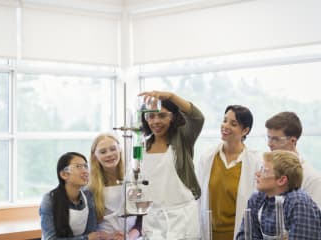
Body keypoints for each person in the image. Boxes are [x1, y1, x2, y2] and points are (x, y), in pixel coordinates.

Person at [138, 90, 204, 239]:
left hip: (182, 217)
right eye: (151, 116)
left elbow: (197, 117)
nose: (156, 121)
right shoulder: (142, 147)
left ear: (172, 117)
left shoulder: (183, 138)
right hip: (153, 218)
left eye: (162, 115)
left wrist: (171, 97)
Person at [198, 105, 262, 240]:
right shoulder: (208, 157)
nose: (225, 126)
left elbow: (258, 206)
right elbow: (197, 199)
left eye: (233, 124)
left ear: (245, 130)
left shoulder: (255, 162)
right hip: (209, 234)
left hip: (239, 235)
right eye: (225, 120)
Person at [236, 150, 321, 240]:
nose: (257, 174)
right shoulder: (256, 199)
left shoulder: (300, 203)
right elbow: (244, 237)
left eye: (264, 171)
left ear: (281, 180)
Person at [40, 152, 108, 240]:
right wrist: (86, 238)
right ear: (64, 174)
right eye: (78, 166)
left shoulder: (88, 196)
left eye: (85, 166)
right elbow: (50, 239)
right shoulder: (49, 199)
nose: (85, 171)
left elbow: (92, 234)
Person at [88, 133, 141, 240]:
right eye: (103, 152)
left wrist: (128, 237)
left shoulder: (134, 178)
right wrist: (109, 237)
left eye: (113, 149)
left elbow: (142, 219)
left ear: (120, 150)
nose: (109, 154)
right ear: (95, 156)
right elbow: (89, 226)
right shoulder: (90, 187)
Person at [265, 111, 321, 208]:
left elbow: (315, 219)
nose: (269, 144)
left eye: (275, 139)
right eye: (269, 138)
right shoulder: (266, 173)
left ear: (292, 141)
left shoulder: (312, 178)